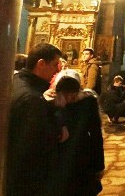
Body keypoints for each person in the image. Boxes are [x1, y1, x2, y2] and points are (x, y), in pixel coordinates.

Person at [6, 43, 65, 196]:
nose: (57, 70)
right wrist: (58, 117)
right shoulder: (31, 99)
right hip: (27, 181)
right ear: (41, 64)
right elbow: (37, 146)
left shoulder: (16, 80)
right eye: (55, 64)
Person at [51, 71, 104, 196]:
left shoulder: (88, 102)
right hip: (62, 159)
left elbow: (96, 135)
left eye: (72, 95)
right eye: (66, 95)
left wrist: (99, 166)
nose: (70, 98)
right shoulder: (53, 103)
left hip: (82, 156)